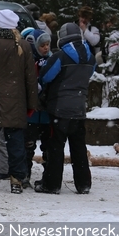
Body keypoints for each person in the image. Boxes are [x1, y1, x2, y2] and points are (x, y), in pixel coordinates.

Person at [0, 9, 38, 194]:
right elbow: (30, 78)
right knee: (16, 142)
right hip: (17, 102)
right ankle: (17, 179)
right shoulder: (24, 46)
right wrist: (31, 103)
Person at [35, 23, 96, 195]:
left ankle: (51, 184)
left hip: (59, 108)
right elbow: (89, 74)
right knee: (79, 147)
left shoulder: (61, 56)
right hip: (79, 108)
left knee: (56, 147)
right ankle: (83, 184)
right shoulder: (90, 57)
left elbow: (45, 77)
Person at [20, 28, 52, 189]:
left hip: (46, 113)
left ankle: (48, 177)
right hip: (31, 113)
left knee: (47, 146)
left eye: (47, 45)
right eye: (42, 45)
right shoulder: (28, 62)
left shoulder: (52, 61)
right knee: (28, 145)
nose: (46, 48)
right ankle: (24, 175)